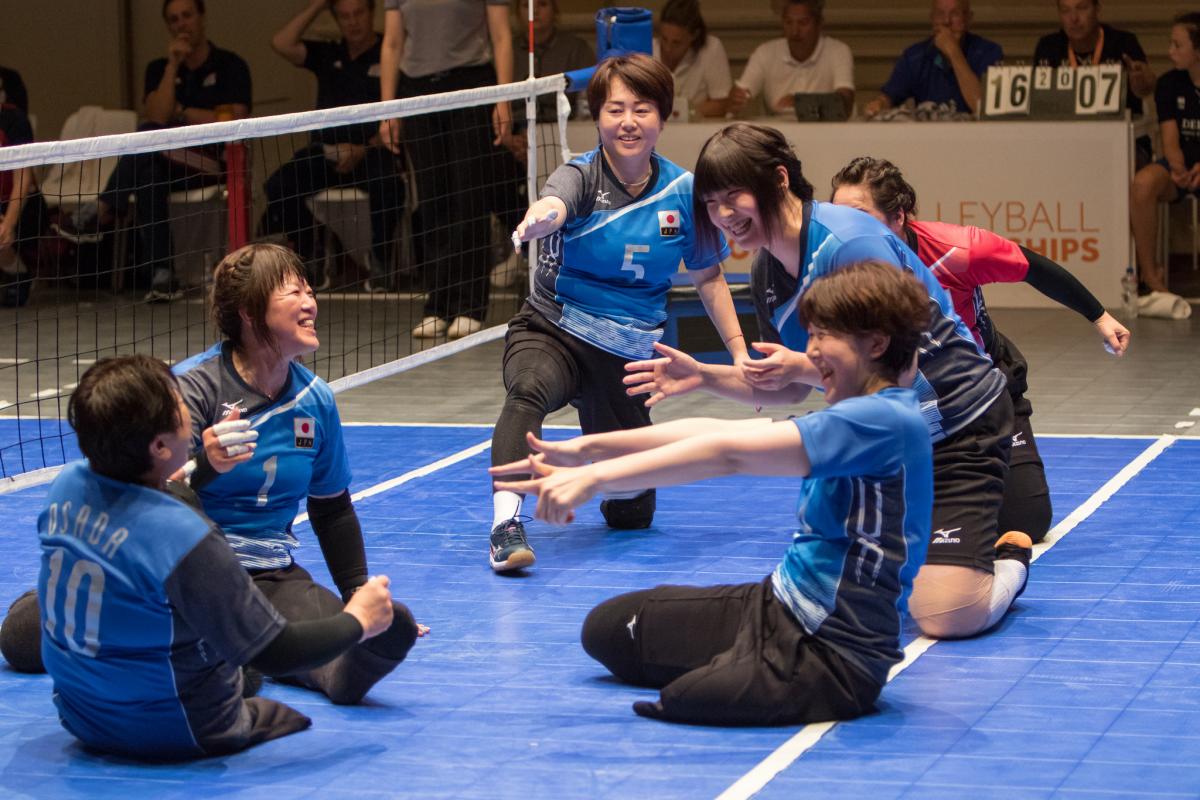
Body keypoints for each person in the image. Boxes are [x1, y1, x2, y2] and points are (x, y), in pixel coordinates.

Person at [625, 123, 1030, 640]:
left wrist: (801, 367)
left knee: (945, 615)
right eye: (710, 203)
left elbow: (898, 365)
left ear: (778, 179)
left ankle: (1010, 558)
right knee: (851, 589)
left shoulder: (850, 244)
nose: (725, 215)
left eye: (734, 196)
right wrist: (704, 376)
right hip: (884, 434)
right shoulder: (769, 273)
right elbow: (789, 385)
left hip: (958, 422)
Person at [490, 262, 933, 725]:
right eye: (813, 336)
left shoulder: (885, 422)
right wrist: (586, 448)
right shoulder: (865, 410)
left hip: (835, 652)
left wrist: (595, 479)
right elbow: (714, 430)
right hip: (776, 606)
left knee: (684, 699)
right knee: (607, 630)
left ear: (877, 344)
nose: (812, 352)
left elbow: (728, 454)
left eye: (825, 338)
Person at [0, 244, 424, 707]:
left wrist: (358, 596)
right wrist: (205, 463)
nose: (309, 302)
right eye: (292, 292)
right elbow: (144, 495)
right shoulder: (190, 390)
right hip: (177, 565)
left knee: (325, 641)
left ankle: (337, 670)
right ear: (248, 312)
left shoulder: (315, 401)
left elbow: (332, 506)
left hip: (266, 572)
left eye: (309, 290)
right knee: (22, 640)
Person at [24, 354, 397, 759]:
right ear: (161, 445)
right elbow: (276, 650)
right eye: (181, 406)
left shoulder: (65, 485)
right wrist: (358, 620)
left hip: (80, 718)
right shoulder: (182, 533)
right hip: (175, 730)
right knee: (259, 685)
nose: (191, 413)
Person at [487, 55, 747, 573]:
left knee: (632, 513)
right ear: (599, 118)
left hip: (625, 354)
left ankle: (614, 485)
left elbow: (709, 278)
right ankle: (506, 525)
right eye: (615, 109)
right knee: (529, 388)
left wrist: (740, 353)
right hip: (555, 327)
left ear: (662, 119)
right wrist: (540, 220)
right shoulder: (580, 175)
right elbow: (555, 204)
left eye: (642, 109)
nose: (628, 122)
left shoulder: (683, 192)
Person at [830, 155, 1130, 546]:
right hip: (904, 400)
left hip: (986, 390)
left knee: (1027, 520)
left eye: (857, 215)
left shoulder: (958, 249)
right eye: (835, 216)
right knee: (871, 525)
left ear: (898, 217)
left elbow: (1032, 267)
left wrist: (1101, 317)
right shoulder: (832, 262)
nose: (843, 228)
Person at [54, 0, 252, 302]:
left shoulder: (230, 64)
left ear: (201, 18)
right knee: (148, 173)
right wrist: (173, 64)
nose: (181, 24)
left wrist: (182, 112)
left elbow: (234, 117)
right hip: (165, 161)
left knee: (147, 138)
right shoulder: (158, 69)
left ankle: (101, 209)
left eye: (187, 16)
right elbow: (158, 115)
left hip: (212, 163)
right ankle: (163, 276)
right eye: (173, 20)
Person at [378, 0, 516, 339]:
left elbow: (501, 36)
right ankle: (437, 303)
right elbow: (393, 42)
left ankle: (470, 304)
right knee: (432, 201)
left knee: (469, 199)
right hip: (417, 92)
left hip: (471, 85)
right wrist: (387, 108)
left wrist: (503, 99)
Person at [262, 0, 403, 293]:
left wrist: (364, 148)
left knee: (389, 184)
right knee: (278, 185)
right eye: (344, 16)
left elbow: (401, 121)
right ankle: (311, 250)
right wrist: (318, 6)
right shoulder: (328, 53)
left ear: (371, 13)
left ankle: (380, 261)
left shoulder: (388, 52)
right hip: (326, 153)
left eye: (358, 14)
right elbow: (281, 42)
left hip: (372, 151)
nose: (352, 22)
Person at [1130, 13, 1200, 295]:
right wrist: (1177, 166)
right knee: (1143, 184)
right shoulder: (1170, 84)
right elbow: (1169, 136)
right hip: (1181, 168)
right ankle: (1151, 277)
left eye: (1177, 45)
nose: (1170, 52)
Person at [864, 0, 1000, 119]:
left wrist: (954, 53)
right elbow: (889, 96)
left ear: (968, 18)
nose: (946, 21)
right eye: (940, 14)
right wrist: (880, 103)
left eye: (955, 14)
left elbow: (983, 107)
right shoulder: (914, 56)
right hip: (930, 140)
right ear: (932, 19)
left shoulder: (988, 52)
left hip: (978, 139)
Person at [729, 0, 854, 119]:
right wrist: (736, 99)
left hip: (828, 130)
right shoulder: (765, 52)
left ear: (819, 24)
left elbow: (845, 102)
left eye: (803, 23)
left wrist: (799, 102)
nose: (795, 31)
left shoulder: (838, 51)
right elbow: (742, 91)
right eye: (789, 22)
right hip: (779, 132)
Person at [653, 0, 732, 119]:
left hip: (698, 129)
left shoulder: (710, 48)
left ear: (694, 35)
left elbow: (721, 104)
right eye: (664, 39)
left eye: (676, 43)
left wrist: (683, 112)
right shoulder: (648, 49)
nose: (668, 48)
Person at [0, 104, 46, 307]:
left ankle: (19, 274)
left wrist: (8, 225)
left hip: (22, 206)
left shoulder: (15, 121)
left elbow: (23, 181)